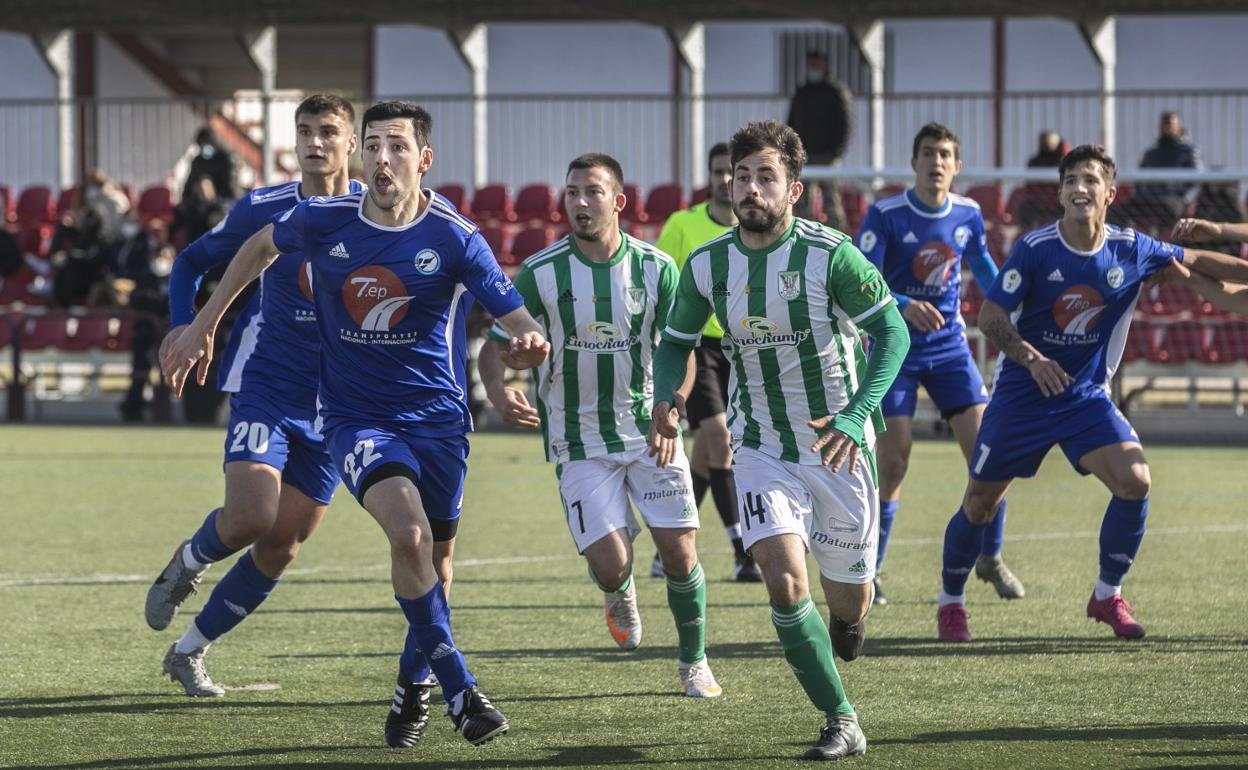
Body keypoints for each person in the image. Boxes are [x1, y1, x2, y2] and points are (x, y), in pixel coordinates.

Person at [162, 100, 549, 749]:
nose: (383, 158)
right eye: (373, 145)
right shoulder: (324, 219)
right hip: (356, 419)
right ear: (361, 155)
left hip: (440, 425)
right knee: (408, 533)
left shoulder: (454, 236)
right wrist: (202, 325)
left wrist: (526, 352)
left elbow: (517, 322)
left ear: (424, 160)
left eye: (397, 146)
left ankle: (412, 687)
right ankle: (460, 687)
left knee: (437, 563)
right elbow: (258, 248)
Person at [649, 120, 910, 761]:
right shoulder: (708, 264)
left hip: (839, 448)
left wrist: (857, 414)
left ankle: (849, 620)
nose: (750, 188)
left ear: (793, 188)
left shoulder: (831, 255)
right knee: (783, 580)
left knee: (848, 598)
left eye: (766, 177)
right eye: (742, 176)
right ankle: (841, 718)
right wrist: (666, 396)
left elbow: (894, 335)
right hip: (761, 447)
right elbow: (676, 341)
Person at [936, 145, 1248, 644]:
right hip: (1022, 394)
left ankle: (1107, 594)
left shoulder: (1131, 248)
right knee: (979, 504)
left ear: (1110, 193)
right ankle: (951, 601)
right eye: (1071, 181)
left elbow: (1200, 262)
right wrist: (1033, 360)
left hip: (1084, 398)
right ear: (1060, 192)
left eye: (1090, 180)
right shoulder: (1036, 248)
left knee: (1135, 480)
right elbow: (990, 317)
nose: (1080, 188)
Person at [477, 152, 722, 698]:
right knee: (612, 563)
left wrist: (674, 403)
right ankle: (618, 589)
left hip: (650, 428)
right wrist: (499, 390)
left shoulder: (657, 268)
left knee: (681, 551)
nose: (580, 203)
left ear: (619, 201)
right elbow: (495, 350)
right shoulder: (542, 271)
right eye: (572, 193)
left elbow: (684, 350)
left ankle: (694, 662)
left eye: (592, 192)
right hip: (577, 437)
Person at [144, 94, 361, 695]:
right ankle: (187, 562)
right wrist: (187, 324)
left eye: (328, 132)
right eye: (305, 131)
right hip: (267, 383)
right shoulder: (265, 207)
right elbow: (189, 262)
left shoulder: (378, 216)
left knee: (282, 544)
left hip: (338, 405)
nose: (315, 142)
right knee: (250, 516)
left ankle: (189, 653)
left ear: (351, 144)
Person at [856, 123, 1023, 607]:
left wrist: (1012, 300)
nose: (937, 161)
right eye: (928, 152)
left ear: (957, 166)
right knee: (893, 460)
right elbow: (860, 279)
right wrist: (903, 301)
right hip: (895, 345)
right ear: (914, 162)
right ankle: (872, 570)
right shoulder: (885, 214)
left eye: (945, 154)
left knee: (992, 455)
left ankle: (990, 557)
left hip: (949, 346)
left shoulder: (969, 213)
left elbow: (986, 269)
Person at [650, 142, 759, 582]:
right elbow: (664, 282)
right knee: (719, 435)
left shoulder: (756, 228)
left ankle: (669, 548)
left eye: (730, 172)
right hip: (698, 348)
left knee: (705, 456)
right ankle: (743, 552)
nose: (724, 180)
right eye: (717, 171)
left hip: (744, 345)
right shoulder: (682, 224)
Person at [786, 51, 853, 232]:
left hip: (827, 157)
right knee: (800, 201)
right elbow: (791, 122)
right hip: (803, 155)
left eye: (817, 65)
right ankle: (802, 235)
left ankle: (837, 236)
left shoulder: (835, 92)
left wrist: (835, 152)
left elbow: (844, 124)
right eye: (810, 65)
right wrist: (792, 149)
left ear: (825, 66)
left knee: (831, 200)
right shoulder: (801, 93)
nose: (813, 69)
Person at [1135, 111, 1201, 224]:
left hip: (1175, 200)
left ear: (1178, 126)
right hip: (1149, 199)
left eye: (1170, 123)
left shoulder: (1188, 152)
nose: (1167, 127)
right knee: (1118, 209)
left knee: (1167, 209)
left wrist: (1183, 197)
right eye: (1164, 124)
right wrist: (1141, 194)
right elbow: (1139, 181)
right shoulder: (1151, 153)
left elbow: (1196, 181)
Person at [182, 126, 236, 202]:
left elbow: (229, 184)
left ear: (213, 142)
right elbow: (190, 183)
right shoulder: (198, 161)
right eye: (201, 144)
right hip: (200, 204)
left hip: (222, 200)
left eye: (206, 143)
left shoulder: (224, 159)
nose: (204, 146)